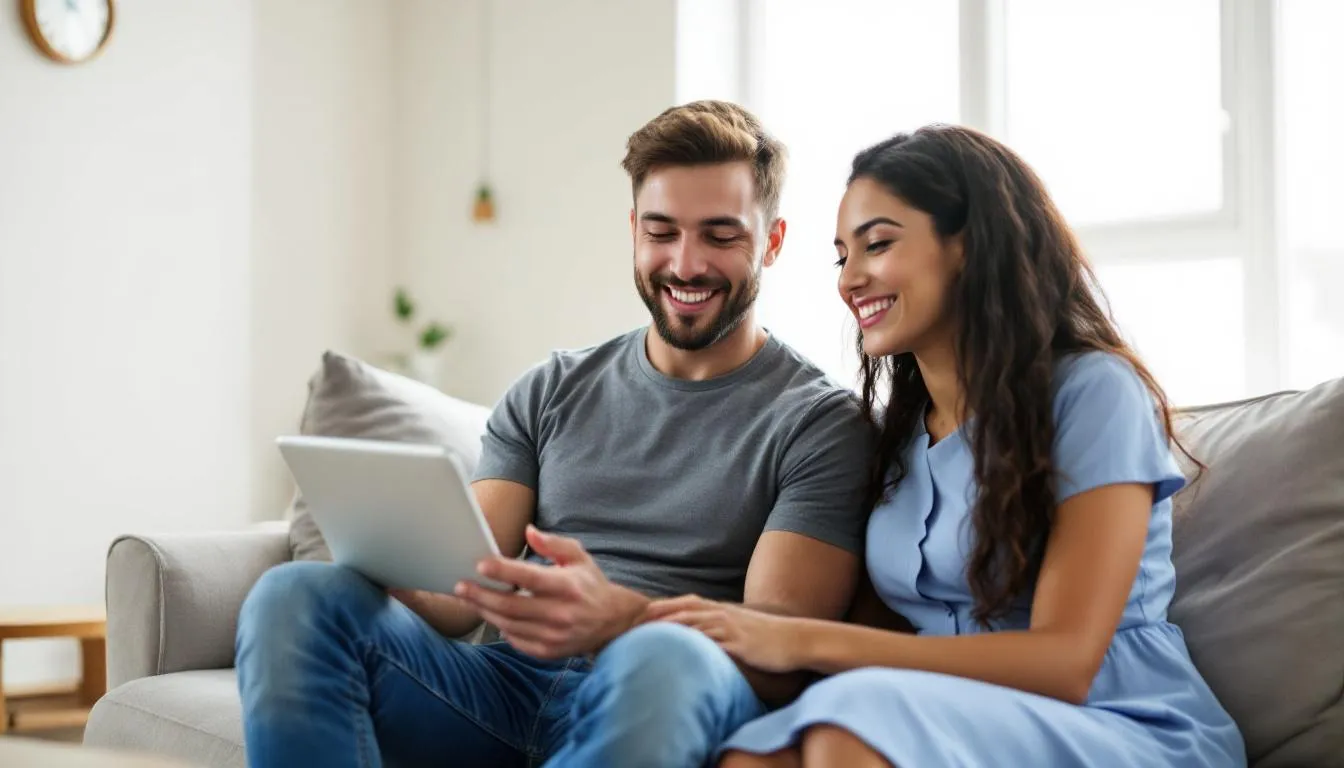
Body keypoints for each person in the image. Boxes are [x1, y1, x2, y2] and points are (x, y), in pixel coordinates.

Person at [234, 100, 875, 768]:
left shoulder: (819, 422)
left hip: (664, 689)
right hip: (502, 690)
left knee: (665, 656)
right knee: (294, 593)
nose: (685, 264)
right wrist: (392, 566)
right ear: (633, 230)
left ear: (771, 241)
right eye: (662, 232)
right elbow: (461, 597)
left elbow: (780, 649)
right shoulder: (552, 388)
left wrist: (623, 619)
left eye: (720, 236)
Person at [645, 124, 1247, 767]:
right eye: (842, 256)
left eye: (877, 244)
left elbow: (1066, 662)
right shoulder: (897, 435)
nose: (851, 279)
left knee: (849, 732)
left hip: (1117, 720)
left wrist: (804, 640)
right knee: (754, 756)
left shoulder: (1095, 393)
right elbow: (888, 630)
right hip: (940, 715)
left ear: (968, 246)